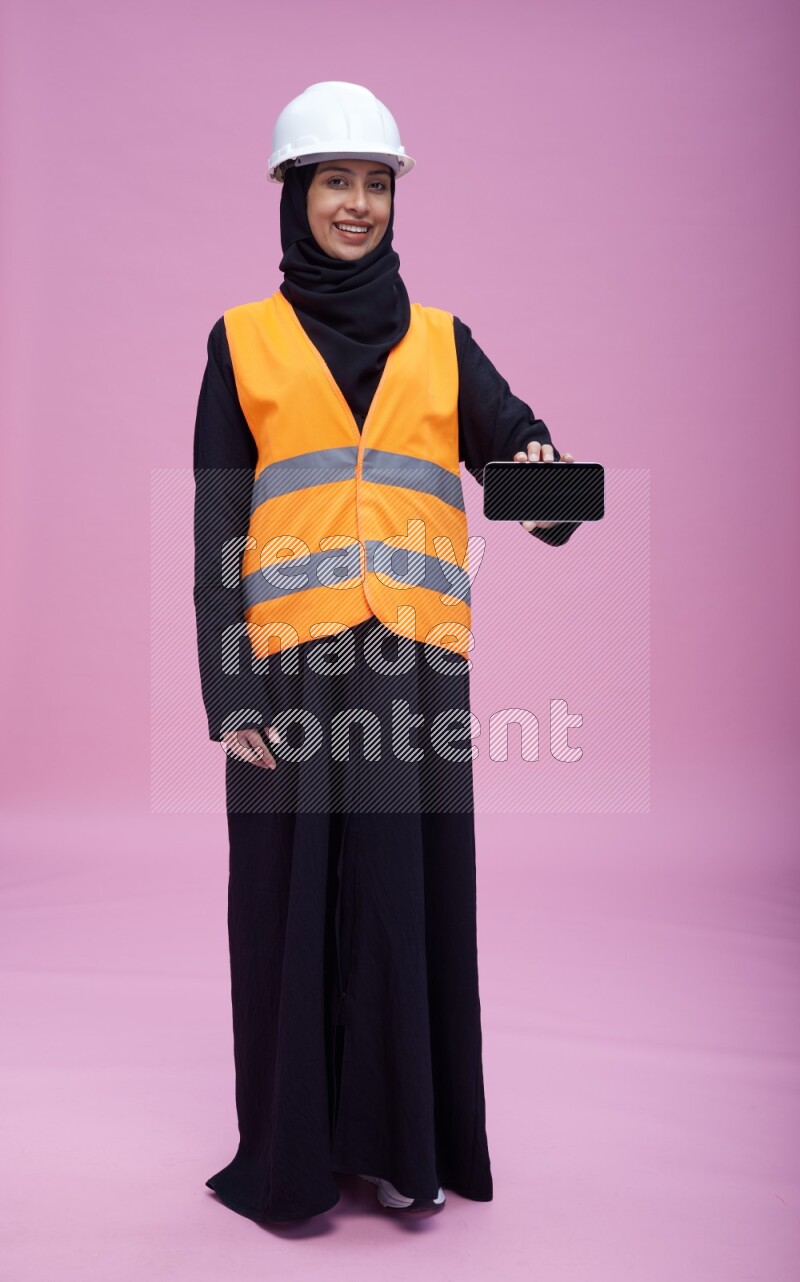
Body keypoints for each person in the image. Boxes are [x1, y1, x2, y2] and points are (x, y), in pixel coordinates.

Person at [192, 81, 581, 1223]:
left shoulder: (444, 343)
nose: (355, 204)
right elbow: (219, 530)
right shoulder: (242, 343)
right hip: (288, 672)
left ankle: (407, 1148)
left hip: (414, 676)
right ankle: (293, 1159)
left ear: (393, 197)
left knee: (405, 909)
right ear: (292, 194)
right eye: (333, 182)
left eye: (375, 183)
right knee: (284, 908)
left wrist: (552, 487)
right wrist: (229, 695)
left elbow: (531, 472)